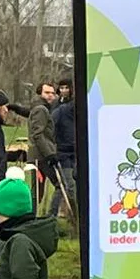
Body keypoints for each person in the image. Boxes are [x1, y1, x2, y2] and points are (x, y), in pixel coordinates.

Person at [26, 83, 59, 210]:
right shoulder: (41, 109)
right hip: (41, 156)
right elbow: (38, 134)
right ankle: (48, 215)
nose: (50, 95)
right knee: (58, 186)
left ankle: (33, 215)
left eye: (52, 93)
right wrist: (49, 154)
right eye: (47, 92)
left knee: (37, 191)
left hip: (41, 155)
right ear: (40, 94)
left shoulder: (43, 108)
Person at [50, 78, 77, 221]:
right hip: (63, 152)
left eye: (67, 88)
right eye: (62, 88)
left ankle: (61, 215)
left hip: (76, 152)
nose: (64, 90)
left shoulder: (75, 108)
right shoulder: (58, 109)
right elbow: (50, 127)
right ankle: (75, 219)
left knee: (70, 187)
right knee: (68, 186)